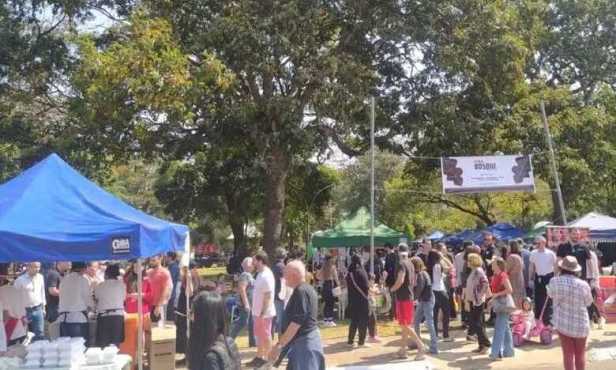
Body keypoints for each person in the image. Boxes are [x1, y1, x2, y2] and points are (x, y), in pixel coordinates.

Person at [268, 260, 325, 370]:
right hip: (301, 344)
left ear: (294, 275)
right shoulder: (305, 289)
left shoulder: (301, 291)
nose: (283, 279)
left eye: (285, 275)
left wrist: (279, 346)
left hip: (305, 345)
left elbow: (296, 323)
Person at [548, 256, 593, 370]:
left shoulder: (554, 281)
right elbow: (588, 302)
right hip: (581, 324)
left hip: (563, 323)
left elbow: (551, 295)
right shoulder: (583, 284)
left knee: (567, 354)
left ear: (561, 268)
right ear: (576, 270)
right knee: (580, 354)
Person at [188, 291, 241, 370]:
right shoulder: (229, 342)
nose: (189, 316)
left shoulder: (210, 358)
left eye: (193, 312)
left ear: (203, 319)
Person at [390, 244, 425, 360]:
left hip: (403, 297)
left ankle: (421, 346)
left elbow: (400, 279)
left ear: (398, 252)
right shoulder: (410, 263)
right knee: (405, 325)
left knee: (404, 325)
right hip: (408, 297)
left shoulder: (401, 264)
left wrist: (392, 289)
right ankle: (403, 350)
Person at [247, 251, 276, 368]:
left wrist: (263, 313)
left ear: (260, 261)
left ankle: (270, 360)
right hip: (257, 312)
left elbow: (268, 296)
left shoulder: (266, 275)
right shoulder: (260, 274)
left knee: (266, 335)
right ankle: (259, 357)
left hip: (264, 313)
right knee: (259, 336)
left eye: (254, 261)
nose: (253, 263)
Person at [58, 262, 93, 342]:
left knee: (66, 349)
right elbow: (88, 299)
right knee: (79, 348)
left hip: (64, 319)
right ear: (83, 269)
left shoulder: (63, 280)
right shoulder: (82, 280)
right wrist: (92, 306)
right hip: (78, 320)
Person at [94, 264, 126, 347]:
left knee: (103, 345)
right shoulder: (122, 285)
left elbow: (96, 298)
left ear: (106, 274)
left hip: (104, 316)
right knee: (115, 345)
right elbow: (123, 298)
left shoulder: (100, 286)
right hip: (117, 316)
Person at [488, 257, 514, 361]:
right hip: (500, 303)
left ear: (498, 265)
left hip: (503, 303)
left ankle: (496, 353)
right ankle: (509, 351)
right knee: (505, 328)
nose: (491, 264)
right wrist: (492, 299)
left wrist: (496, 295)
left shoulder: (503, 275)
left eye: (493, 262)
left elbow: (510, 290)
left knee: (499, 329)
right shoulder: (496, 275)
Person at [465, 253, 491, 354]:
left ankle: (486, 344)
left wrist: (478, 296)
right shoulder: (473, 271)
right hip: (473, 301)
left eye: (469, 260)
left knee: (477, 323)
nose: (467, 262)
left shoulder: (478, 271)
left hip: (477, 302)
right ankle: (481, 345)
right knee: (477, 323)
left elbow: (485, 283)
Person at [411, 257, 438, 354]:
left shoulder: (421, 274)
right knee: (416, 321)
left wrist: (412, 298)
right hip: (424, 300)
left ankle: (434, 347)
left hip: (427, 300)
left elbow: (419, 289)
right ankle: (417, 342)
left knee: (429, 323)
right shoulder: (422, 273)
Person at [14, 262, 46, 341]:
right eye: (35, 267)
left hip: (38, 308)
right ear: (28, 267)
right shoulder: (20, 280)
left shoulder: (40, 277)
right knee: (24, 334)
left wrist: (44, 308)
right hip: (25, 310)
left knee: (39, 333)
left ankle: (38, 351)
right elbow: (15, 295)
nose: (37, 269)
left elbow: (42, 293)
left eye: (39, 267)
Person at [529, 236, 556, 325]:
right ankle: (538, 318)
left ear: (544, 243)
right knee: (538, 298)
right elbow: (531, 266)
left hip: (549, 277)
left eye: (538, 243)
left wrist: (555, 278)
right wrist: (530, 279)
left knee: (549, 298)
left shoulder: (550, 253)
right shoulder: (533, 253)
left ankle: (548, 320)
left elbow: (555, 266)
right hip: (538, 277)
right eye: (536, 243)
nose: (536, 245)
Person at [176, 261, 201, 357]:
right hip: (185, 306)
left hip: (188, 306)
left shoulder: (191, 278)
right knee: (185, 329)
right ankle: (187, 353)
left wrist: (188, 279)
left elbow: (189, 294)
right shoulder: (192, 277)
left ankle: (189, 354)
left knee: (187, 329)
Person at [230, 257, 256, 347]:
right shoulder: (245, 275)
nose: (253, 264)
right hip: (245, 304)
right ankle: (229, 339)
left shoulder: (249, 275)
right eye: (250, 263)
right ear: (245, 265)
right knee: (243, 322)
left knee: (252, 322)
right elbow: (242, 289)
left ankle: (253, 342)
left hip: (250, 304)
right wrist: (246, 304)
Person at [427, 250, 452, 342]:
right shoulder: (438, 265)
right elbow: (450, 267)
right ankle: (446, 335)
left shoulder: (429, 266)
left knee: (435, 314)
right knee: (446, 313)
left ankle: (435, 335)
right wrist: (444, 257)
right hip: (440, 290)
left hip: (432, 291)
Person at [346, 254, 370, 348]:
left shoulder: (350, 273)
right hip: (362, 299)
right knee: (363, 321)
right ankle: (361, 342)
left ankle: (350, 341)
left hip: (352, 300)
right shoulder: (361, 272)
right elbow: (366, 286)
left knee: (354, 321)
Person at [0, 272, 28, 346]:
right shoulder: (20, 289)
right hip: (21, 326)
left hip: (9, 329)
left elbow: (6, 313)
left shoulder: (2, 291)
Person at [147, 255, 172, 323]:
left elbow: (166, 290)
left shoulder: (165, 272)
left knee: (157, 329)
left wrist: (159, 306)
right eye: (151, 260)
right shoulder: (148, 272)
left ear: (160, 259)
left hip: (158, 305)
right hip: (148, 305)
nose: (151, 262)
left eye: (154, 260)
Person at [317, 255, 339, 327]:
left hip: (324, 285)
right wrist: (338, 285)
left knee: (326, 303)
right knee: (331, 303)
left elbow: (317, 276)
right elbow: (336, 278)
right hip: (330, 285)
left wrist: (323, 278)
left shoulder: (323, 267)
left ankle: (326, 320)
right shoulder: (332, 267)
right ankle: (330, 320)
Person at [272, 247, 288, 335]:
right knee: (281, 319)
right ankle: (281, 340)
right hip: (280, 296)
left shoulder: (275, 266)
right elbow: (283, 282)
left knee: (276, 318)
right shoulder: (281, 267)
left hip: (276, 295)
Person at [506, 240, 526, 307]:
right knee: (519, 299)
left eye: (508, 245)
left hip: (513, 281)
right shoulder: (519, 256)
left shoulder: (511, 257)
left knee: (513, 300)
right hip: (519, 280)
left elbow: (506, 270)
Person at [384, 243, 399, 319]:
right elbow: (386, 268)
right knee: (390, 297)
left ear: (388, 248)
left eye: (385, 248)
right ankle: (391, 313)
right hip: (389, 279)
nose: (385, 250)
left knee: (393, 298)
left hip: (393, 279)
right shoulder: (388, 256)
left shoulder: (395, 256)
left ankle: (393, 314)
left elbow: (393, 268)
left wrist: (388, 272)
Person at [165, 252, 181, 322]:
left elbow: (170, 279)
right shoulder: (171, 266)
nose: (165, 258)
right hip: (170, 291)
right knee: (168, 309)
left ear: (170, 257)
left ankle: (170, 322)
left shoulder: (174, 267)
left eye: (167, 257)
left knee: (170, 309)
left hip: (171, 291)